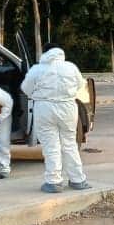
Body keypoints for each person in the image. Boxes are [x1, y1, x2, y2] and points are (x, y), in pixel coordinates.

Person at [22, 44, 90, 193]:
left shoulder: (37, 69)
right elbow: (80, 85)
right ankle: (78, 180)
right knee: (70, 143)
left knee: (50, 145)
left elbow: (25, 88)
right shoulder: (71, 67)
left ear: (45, 53)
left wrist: (37, 95)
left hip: (44, 108)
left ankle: (53, 182)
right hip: (68, 107)